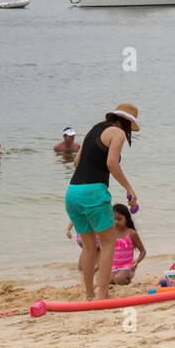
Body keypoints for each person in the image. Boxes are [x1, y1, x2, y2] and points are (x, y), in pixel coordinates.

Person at [66, 103, 140, 301]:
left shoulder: (93, 130)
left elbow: (75, 163)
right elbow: (111, 163)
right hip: (94, 194)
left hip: (72, 193)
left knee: (89, 247)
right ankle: (103, 294)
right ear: (126, 123)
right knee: (108, 244)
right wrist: (129, 188)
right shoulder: (118, 133)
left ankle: (89, 294)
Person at [109, 203, 145, 285]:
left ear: (127, 218)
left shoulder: (132, 233)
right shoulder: (111, 233)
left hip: (127, 267)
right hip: (112, 267)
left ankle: (128, 282)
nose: (116, 222)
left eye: (119, 219)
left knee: (118, 279)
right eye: (113, 219)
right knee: (106, 281)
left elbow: (143, 251)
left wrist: (136, 262)